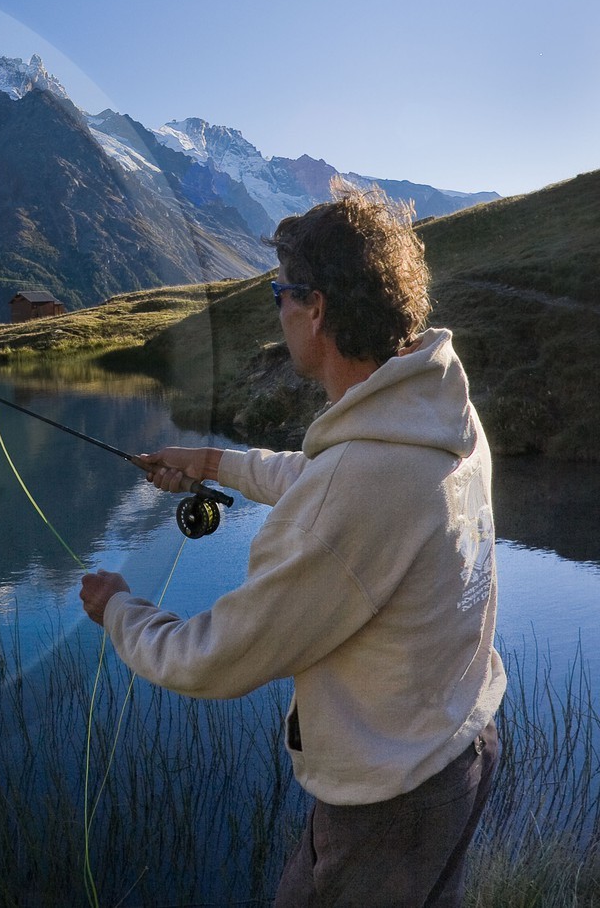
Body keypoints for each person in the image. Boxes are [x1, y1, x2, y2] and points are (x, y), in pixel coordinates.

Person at [78, 178, 504, 907]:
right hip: (460, 751)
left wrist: (119, 608)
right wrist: (212, 463)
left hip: (386, 808)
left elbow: (211, 659)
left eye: (281, 294)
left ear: (317, 309)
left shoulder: (358, 487)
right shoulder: (439, 417)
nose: (277, 310)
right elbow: (326, 479)